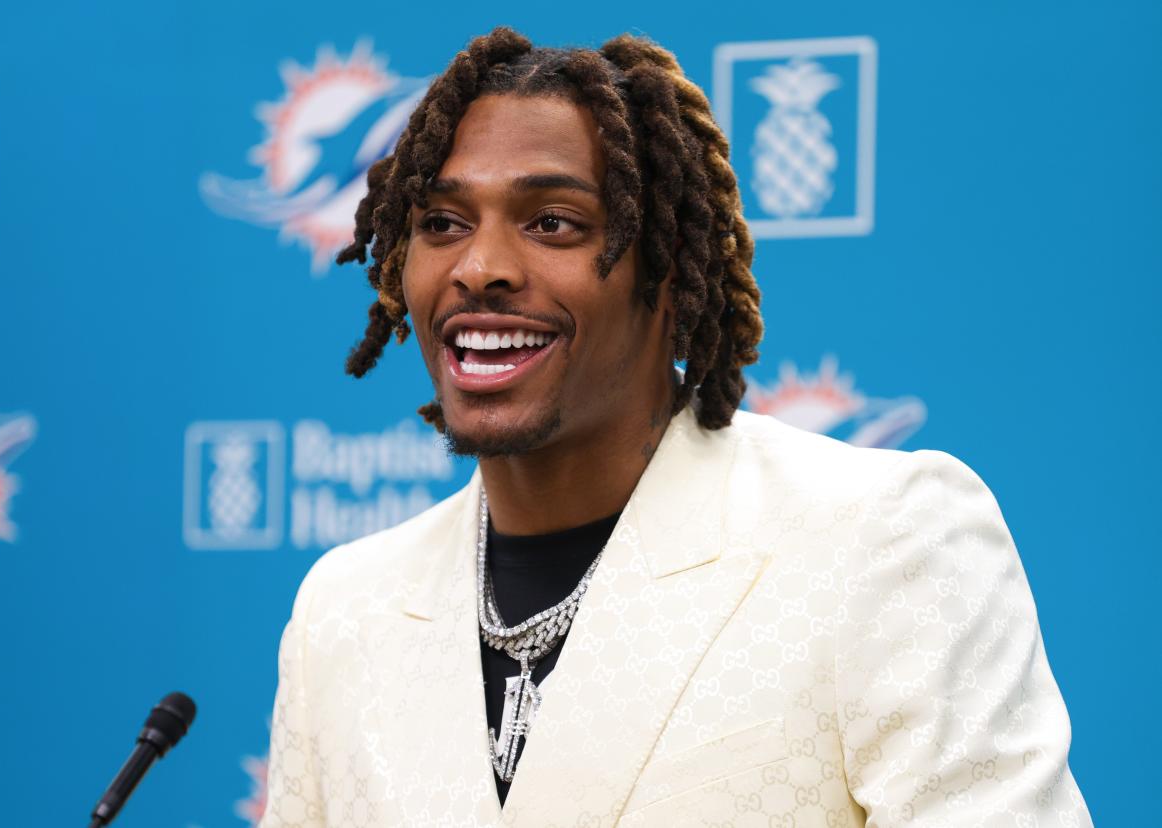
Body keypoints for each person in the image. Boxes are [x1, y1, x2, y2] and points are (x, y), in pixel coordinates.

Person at [261, 27, 1091, 827]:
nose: (480, 267)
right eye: (442, 223)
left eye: (553, 222)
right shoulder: (345, 611)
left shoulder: (881, 540)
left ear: (664, 271)